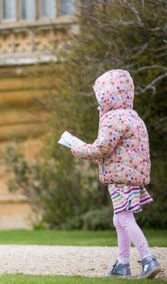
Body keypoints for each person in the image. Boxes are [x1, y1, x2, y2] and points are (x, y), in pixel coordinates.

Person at [70, 69, 161, 279]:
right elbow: (116, 151)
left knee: (125, 217)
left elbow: (102, 148)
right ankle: (122, 263)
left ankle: (148, 259)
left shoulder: (112, 118)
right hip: (131, 175)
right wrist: (95, 155)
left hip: (120, 178)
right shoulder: (133, 116)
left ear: (106, 95)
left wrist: (78, 148)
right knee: (118, 219)